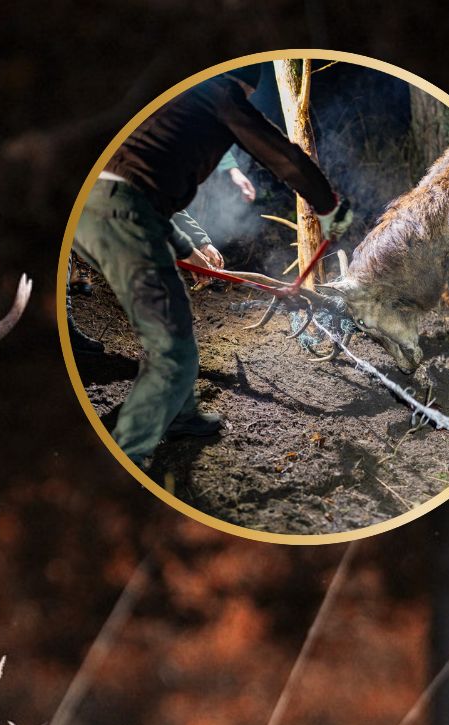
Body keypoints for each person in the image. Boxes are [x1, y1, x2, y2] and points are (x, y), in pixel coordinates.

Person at [72, 64, 353, 467]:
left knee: (172, 322)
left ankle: (181, 414)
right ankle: (125, 451)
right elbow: (284, 158)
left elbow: (149, 196)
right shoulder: (217, 93)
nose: (247, 98)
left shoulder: (178, 101)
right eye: (247, 91)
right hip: (119, 208)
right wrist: (328, 206)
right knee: (170, 341)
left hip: (118, 207)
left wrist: (189, 248)